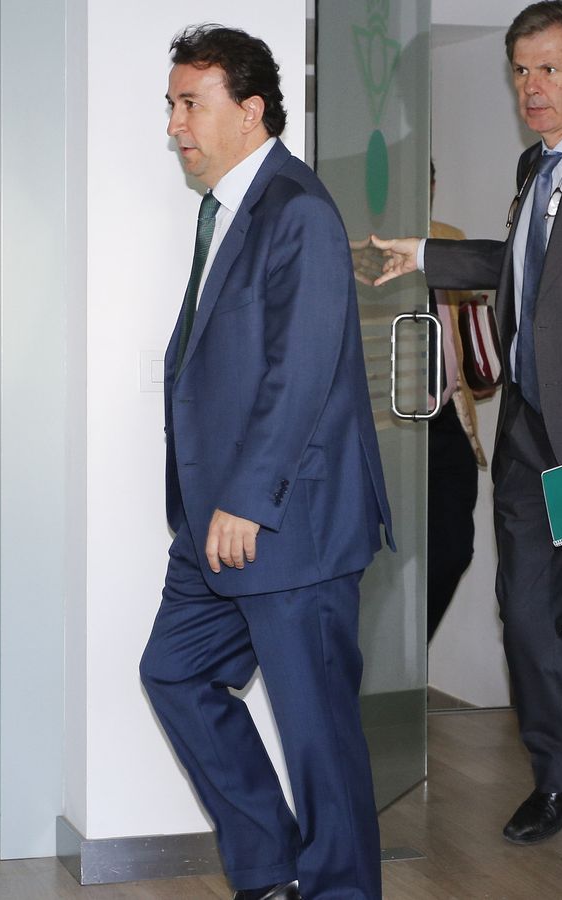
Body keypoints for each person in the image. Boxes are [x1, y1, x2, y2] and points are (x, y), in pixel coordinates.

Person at [368, 2, 562, 894]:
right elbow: (525, 268)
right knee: (525, 612)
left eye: (548, 70)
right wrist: (426, 256)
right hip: (529, 438)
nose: (531, 87)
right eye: (519, 70)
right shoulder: (532, 166)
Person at [138, 24, 393, 900]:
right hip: (215, 521)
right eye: (172, 105)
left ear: (249, 110)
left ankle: (340, 891)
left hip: (287, 523)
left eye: (189, 104)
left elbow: (301, 372)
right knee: (173, 673)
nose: (175, 125)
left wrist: (246, 498)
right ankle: (272, 871)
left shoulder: (298, 211)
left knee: (318, 735)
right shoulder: (233, 210)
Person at [427, 162, 492, 643]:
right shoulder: (358, 246)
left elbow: (462, 324)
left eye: (428, 185)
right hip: (386, 423)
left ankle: (408, 662)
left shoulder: (446, 237)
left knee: (453, 548)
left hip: (448, 415)